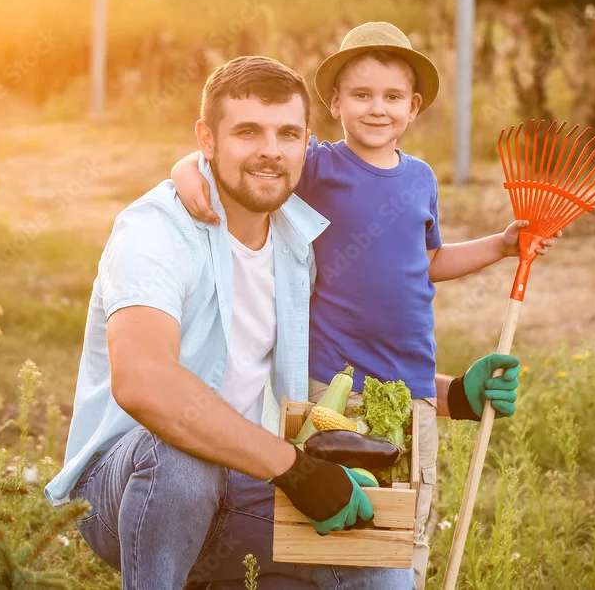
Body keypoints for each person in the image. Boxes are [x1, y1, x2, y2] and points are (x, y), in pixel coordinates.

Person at [170, 22, 551, 588]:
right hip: (334, 382)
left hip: (412, 378)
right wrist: (185, 172)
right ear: (335, 103)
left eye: (393, 97)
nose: (378, 108)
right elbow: (236, 160)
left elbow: (429, 260)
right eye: (362, 95)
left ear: (413, 107)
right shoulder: (320, 165)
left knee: (408, 512)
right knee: (336, 511)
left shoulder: (421, 178)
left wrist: (500, 246)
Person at [44, 55, 417, 589]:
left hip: (244, 482)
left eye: (288, 134)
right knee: (182, 458)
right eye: (247, 132)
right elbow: (143, 381)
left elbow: (345, 357)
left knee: (376, 563)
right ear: (207, 139)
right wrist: (292, 467)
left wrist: (453, 392)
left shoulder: (298, 240)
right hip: (124, 488)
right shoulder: (155, 232)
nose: (271, 150)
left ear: (306, 145)